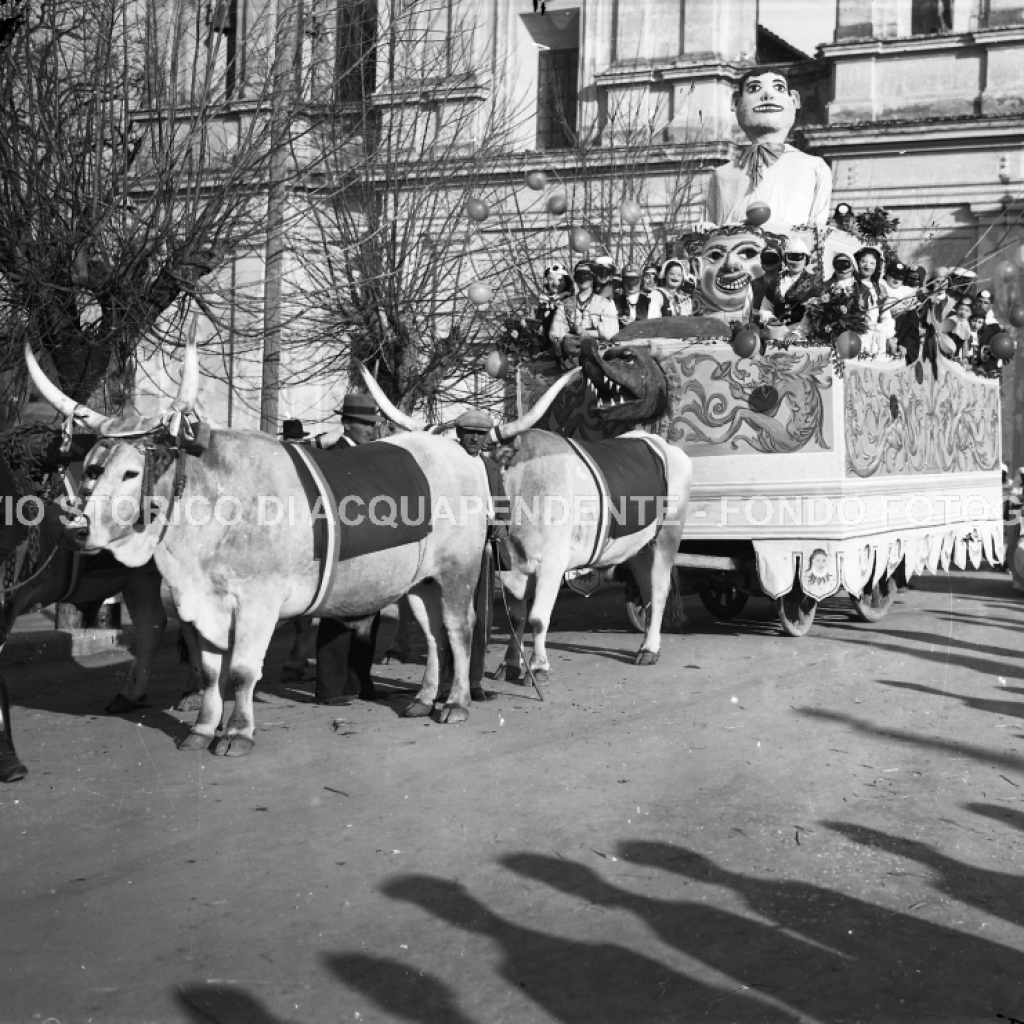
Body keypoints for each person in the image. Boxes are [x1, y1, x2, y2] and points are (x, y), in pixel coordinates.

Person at [312, 393, 384, 705]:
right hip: (345, 545)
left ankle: (359, 681)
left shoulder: (375, 454)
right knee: (338, 616)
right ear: (346, 424)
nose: (371, 429)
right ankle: (329, 687)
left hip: (373, 545)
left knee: (371, 617)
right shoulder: (333, 455)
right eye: (364, 423)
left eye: (374, 423)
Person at [704, 67, 832, 230]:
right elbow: (710, 224)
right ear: (736, 102)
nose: (767, 95)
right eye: (754, 89)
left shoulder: (814, 167)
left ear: (794, 100)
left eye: (778, 88)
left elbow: (818, 229)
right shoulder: (722, 174)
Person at [452, 409, 504, 700]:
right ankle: (447, 683)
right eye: (469, 432)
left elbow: (502, 501)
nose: (474, 438)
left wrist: (502, 525)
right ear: (458, 433)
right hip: (453, 553)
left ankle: (474, 682)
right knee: (453, 616)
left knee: (483, 616)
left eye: (480, 434)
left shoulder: (491, 468)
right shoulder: (448, 463)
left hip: (483, 550)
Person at [548, 260, 619, 366]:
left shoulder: (605, 303)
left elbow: (610, 332)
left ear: (592, 278)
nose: (583, 278)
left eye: (587, 274)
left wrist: (585, 333)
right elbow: (556, 333)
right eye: (580, 274)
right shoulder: (565, 304)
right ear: (575, 278)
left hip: (601, 358)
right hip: (572, 359)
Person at [535, 264, 573, 356]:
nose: (556, 283)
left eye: (560, 279)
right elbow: (539, 324)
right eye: (551, 279)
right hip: (546, 349)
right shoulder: (544, 301)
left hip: (566, 349)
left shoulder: (570, 299)